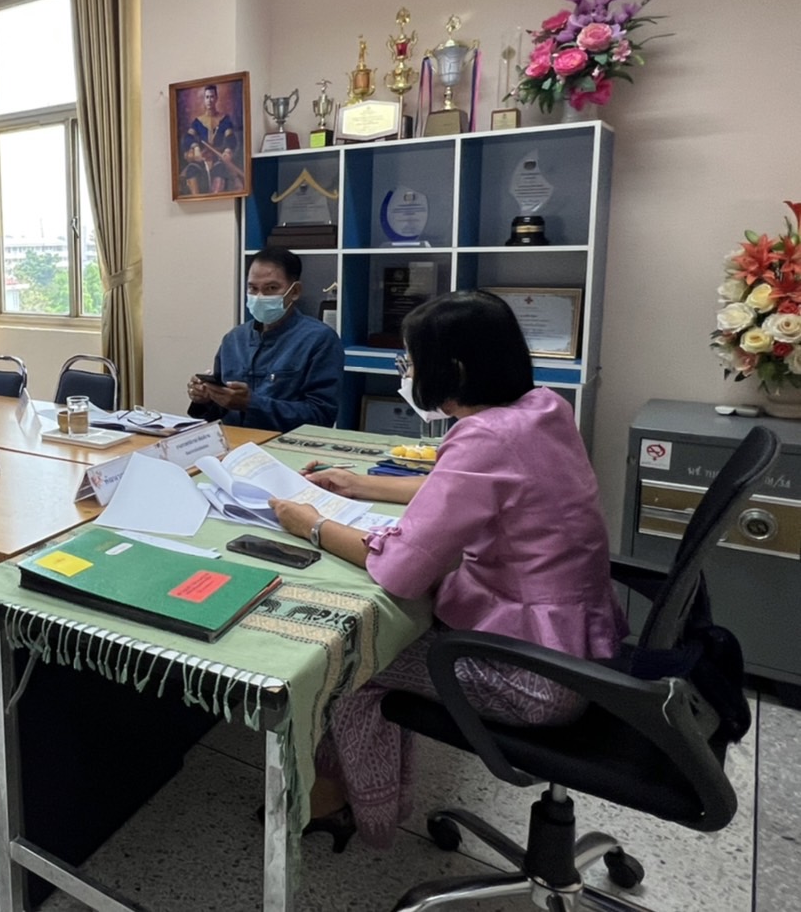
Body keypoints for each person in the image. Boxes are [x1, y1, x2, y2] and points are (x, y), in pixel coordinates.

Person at [265, 289, 627, 851]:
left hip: (530, 676)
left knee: (349, 659)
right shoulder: (541, 410)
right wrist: (357, 483)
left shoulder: (484, 436)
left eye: (411, 362)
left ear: (451, 368)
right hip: (576, 649)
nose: (408, 374)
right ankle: (347, 791)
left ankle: (344, 805)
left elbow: (401, 572)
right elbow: (470, 486)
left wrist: (310, 524)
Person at [186, 247, 343, 430]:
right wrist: (206, 398)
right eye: (253, 288)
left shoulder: (319, 340)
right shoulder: (234, 339)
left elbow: (321, 416)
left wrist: (251, 404)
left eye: (271, 288)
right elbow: (218, 413)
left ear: (294, 291)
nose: (260, 297)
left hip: (285, 448)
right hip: (235, 445)